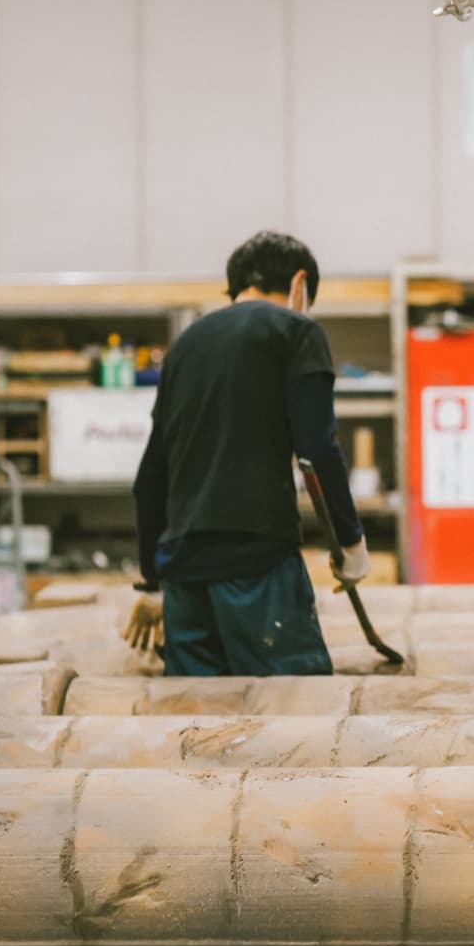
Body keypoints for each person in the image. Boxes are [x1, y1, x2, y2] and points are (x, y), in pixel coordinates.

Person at [124, 231, 370, 676]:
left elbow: (150, 477)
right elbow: (316, 450)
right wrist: (349, 541)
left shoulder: (185, 346)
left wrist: (151, 582)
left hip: (183, 579)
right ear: (299, 284)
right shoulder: (296, 330)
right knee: (295, 723)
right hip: (257, 569)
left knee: (196, 728)